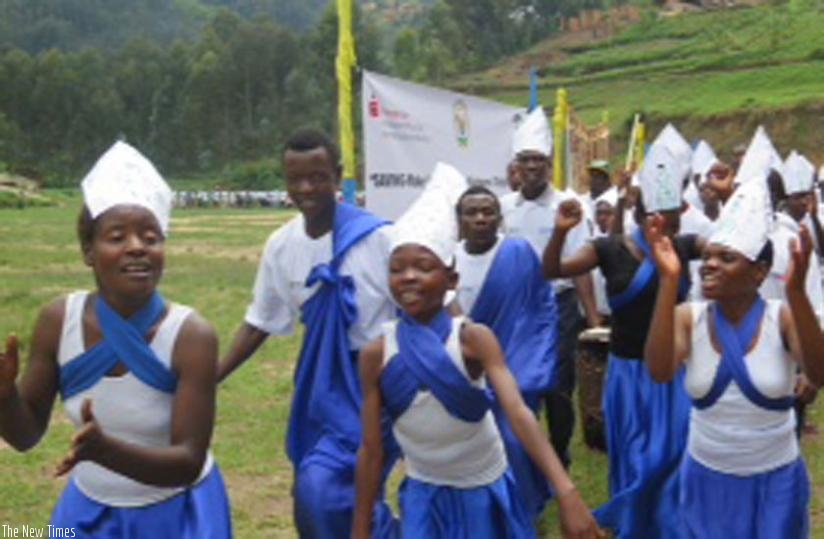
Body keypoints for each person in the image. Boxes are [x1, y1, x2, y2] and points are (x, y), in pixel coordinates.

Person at [353, 163, 602, 539]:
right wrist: (360, 529)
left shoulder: (473, 339)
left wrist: (566, 492)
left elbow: (518, 413)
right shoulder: (376, 354)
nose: (409, 277)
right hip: (424, 495)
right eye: (397, 269)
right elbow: (371, 451)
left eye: (423, 267)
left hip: (483, 492)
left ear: (450, 280)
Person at [0, 141, 232, 537]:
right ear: (88, 250)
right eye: (117, 237)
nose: (137, 247)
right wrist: (5, 397)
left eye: (150, 237)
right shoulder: (59, 322)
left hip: (177, 515)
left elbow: (188, 461)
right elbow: (26, 436)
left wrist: (104, 451)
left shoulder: (191, 336)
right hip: (89, 516)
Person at [217, 129, 398, 537]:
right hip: (322, 384)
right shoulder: (281, 246)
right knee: (313, 497)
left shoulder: (379, 239)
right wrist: (211, 376)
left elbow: (427, 306)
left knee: (327, 489)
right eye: (294, 179)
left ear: (337, 176)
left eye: (317, 177)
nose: (306, 188)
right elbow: (260, 321)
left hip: (377, 383)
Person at [543, 135, 704, 538]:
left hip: (672, 372)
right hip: (628, 375)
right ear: (643, 214)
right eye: (662, 218)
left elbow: (730, 250)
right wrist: (560, 232)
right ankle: (634, 524)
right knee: (634, 457)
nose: (669, 227)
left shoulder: (685, 247)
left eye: (676, 219)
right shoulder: (608, 249)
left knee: (673, 453)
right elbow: (553, 270)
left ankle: (670, 525)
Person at [644, 178, 822, 537]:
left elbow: (818, 373)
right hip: (707, 478)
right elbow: (660, 371)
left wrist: (797, 294)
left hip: (775, 481)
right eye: (708, 256)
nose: (709, 265)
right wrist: (668, 280)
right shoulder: (688, 317)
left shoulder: (781, 318)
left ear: (759, 272)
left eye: (726, 258)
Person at [500, 107, 601, 470]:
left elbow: (580, 269)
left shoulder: (568, 206)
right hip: (516, 309)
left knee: (558, 387)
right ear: (516, 164)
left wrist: (593, 320)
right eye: (525, 159)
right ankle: (523, 459)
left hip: (558, 306)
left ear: (548, 164)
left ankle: (558, 457)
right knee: (516, 383)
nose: (531, 167)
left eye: (538, 160)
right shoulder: (503, 208)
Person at [453, 185, 559, 518]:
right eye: (472, 212)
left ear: (500, 218)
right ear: (459, 220)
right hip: (464, 370)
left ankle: (523, 511)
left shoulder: (518, 253)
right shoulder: (448, 258)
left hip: (514, 366)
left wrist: (528, 365)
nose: (480, 218)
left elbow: (540, 309)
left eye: (488, 212)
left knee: (514, 441)